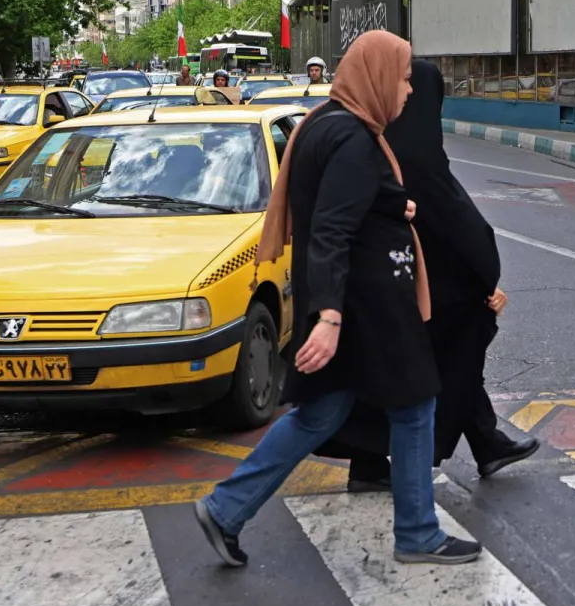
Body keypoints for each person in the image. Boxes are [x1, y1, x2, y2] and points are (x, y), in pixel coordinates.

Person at [192, 30, 481, 568]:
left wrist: (396, 211)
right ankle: (418, 533)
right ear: (374, 77)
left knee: (321, 412)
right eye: (400, 79)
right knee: (415, 407)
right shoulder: (351, 139)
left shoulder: (325, 123)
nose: (408, 91)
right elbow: (330, 229)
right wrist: (328, 316)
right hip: (369, 308)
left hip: (353, 304)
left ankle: (226, 508)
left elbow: (346, 209)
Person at [322, 60, 538, 490]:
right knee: (440, 361)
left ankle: (482, 442)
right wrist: (483, 275)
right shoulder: (417, 154)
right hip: (417, 289)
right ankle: (410, 486)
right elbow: (454, 223)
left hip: (394, 285)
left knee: (437, 362)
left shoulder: (378, 142)